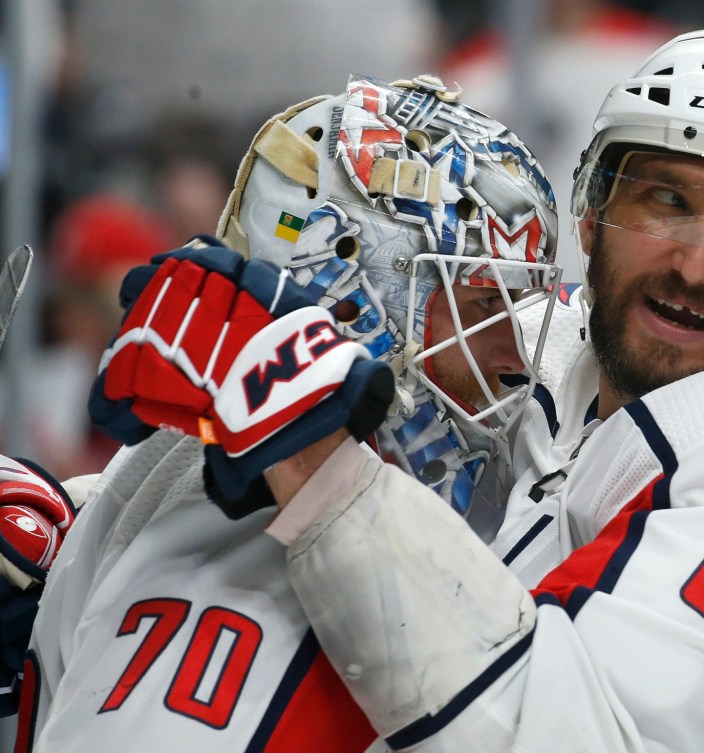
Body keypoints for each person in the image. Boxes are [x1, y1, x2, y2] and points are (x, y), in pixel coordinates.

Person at [183, 30, 704, 751]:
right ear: (589, 214)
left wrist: (317, 466)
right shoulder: (532, 337)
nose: (694, 264)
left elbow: (560, 735)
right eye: (667, 200)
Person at [19, 74, 560, 751]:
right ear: (356, 298)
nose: (515, 351)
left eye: (519, 303)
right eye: (485, 302)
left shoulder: (173, 468)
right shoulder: (236, 538)